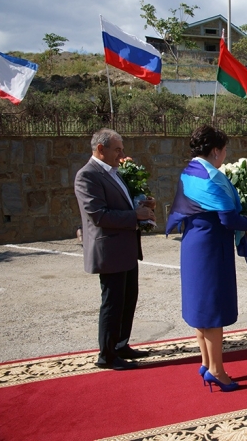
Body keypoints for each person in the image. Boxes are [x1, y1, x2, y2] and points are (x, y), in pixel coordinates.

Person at [165, 125, 247, 392]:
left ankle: (207, 362)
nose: (225, 155)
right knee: (213, 308)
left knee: (200, 305)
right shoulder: (211, 176)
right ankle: (217, 371)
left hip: (193, 242)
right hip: (210, 247)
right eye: (224, 150)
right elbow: (228, 218)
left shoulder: (188, 171)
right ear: (216, 150)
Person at [74, 128, 157, 371]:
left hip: (126, 248)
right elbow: (99, 215)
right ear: (101, 149)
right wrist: (135, 215)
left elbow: (121, 203)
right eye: (117, 149)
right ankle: (107, 355)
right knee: (112, 303)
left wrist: (142, 205)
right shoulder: (87, 175)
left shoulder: (113, 172)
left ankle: (121, 344)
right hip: (110, 250)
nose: (122, 154)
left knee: (128, 299)